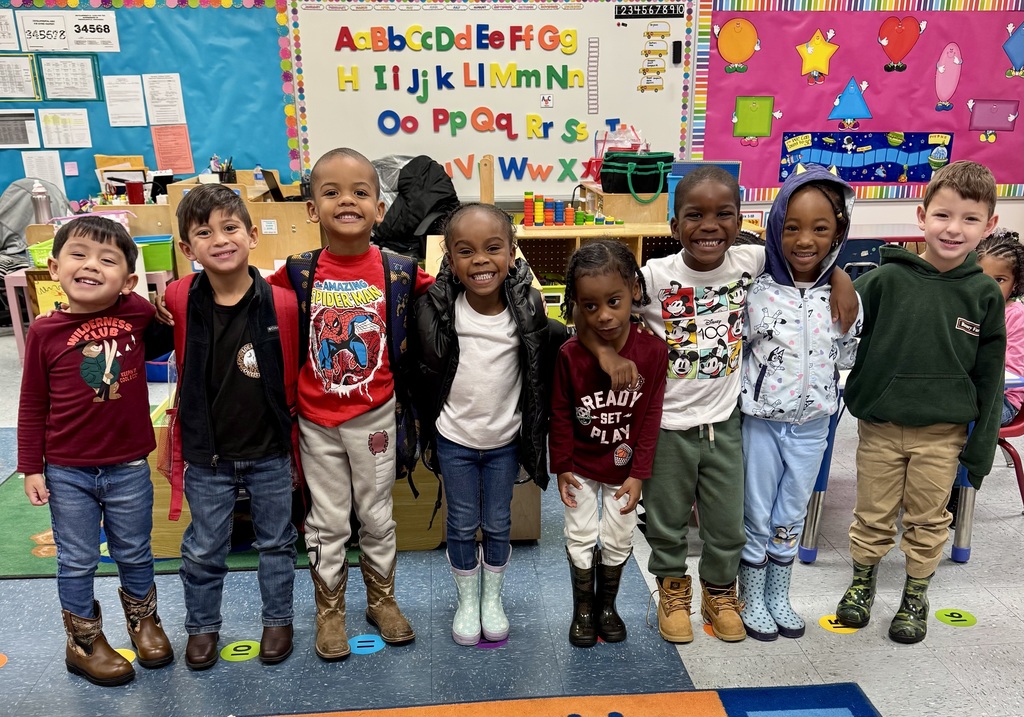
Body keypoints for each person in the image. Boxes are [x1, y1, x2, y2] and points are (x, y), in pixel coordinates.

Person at [637, 165, 858, 644]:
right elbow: (606, 301)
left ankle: (720, 593)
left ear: (742, 222)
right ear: (674, 226)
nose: (710, 226)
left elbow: (808, 256)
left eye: (724, 214)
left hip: (725, 422)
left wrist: (840, 275)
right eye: (694, 215)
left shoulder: (751, 262)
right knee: (666, 518)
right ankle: (673, 589)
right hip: (669, 426)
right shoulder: (653, 276)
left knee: (726, 523)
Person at [267, 148, 434, 660]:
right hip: (317, 422)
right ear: (312, 209)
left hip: (377, 419)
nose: (347, 201)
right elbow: (245, 298)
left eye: (361, 192)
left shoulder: (399, 270)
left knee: (378, 516)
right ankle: (330, 609)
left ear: (379, 209)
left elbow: (455, 298)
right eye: (332, 192)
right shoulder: (296, 272)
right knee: (328, 521)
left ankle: (381, 600)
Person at [835, 160, 1005, 644]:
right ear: (921, 215)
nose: (954, 229)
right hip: (881, 427)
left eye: (970, 219)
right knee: (872, 512)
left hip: (943, 433)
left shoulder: (983, 295)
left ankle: (915, 593)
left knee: (930, 517)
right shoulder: (886, 280)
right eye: (943, 216)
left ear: (988, 226)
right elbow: (839, 314)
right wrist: (839, 279)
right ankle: (862, 582)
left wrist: (980, 450)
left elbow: (990, 380)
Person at [17, 215, 173, 686]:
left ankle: (144, 620)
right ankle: (83, 639)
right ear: (54, 266)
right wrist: (30, 468)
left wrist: (163, 306)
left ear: (127, 280)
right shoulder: (45, 333)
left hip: (127, 465)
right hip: (67, 471)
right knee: (77, 557)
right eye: (79, 255)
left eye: (108, 260)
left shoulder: (136, 315)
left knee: (134, 549)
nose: (91, 266)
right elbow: (31, 404)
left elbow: (171, 337)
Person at [415, 202, 565, 646]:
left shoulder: (528, 307)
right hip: (455, 439)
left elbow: (539, 368)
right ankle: (467, 599)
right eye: (466, 250)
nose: (480, 259)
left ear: (512, 251)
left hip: (504, 441)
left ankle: (492, 598)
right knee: (461, 523)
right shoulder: (439, 308)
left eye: (493, 247)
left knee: (498, 522)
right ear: (449, 258)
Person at [166, 184, 299, 670]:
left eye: (230, 227)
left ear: (250, 235)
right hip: (208, 455)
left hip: (269, 451)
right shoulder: (179, 297)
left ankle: (277, 619)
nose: (220, 240)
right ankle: (202, 628)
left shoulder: (282, 303)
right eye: (205, 233)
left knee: (277, 541)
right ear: (187, 249)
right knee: (204, 547)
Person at [737, 166, 861, 641]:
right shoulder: (756, 292)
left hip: (813, 426)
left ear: (838, 233)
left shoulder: (843, 297)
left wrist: (843, 281)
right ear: (775, 227)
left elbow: (846, 354)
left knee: (792, 510)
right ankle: (750, 596)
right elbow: (739, 348)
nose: (805, 239)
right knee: (757, 508)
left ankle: (778, 594)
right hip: (762, 423)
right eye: (792, 227)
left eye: (820, 228)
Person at [550, 239, 666, 647]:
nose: (603, 316)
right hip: (580, 466)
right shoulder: (570, 355)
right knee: (579, 535)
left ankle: (606, 606)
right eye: (590, 306)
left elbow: (651, 415)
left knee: (619, 536)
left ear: (634, 290)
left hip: (624, 470)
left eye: (614, 302)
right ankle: (583, 609)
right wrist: (562, 465)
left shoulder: (653, 353)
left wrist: (639, 474)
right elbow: (560, 414)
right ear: (578, 305)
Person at [975, 228, 1024, 426]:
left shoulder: (1016, 316)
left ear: (1015, 283)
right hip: (969, 393)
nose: (989, 288)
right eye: (981, 278)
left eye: (1000, 280)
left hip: (1002, 402)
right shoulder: (968, 308)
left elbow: (1014, 371)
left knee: (949, 415)